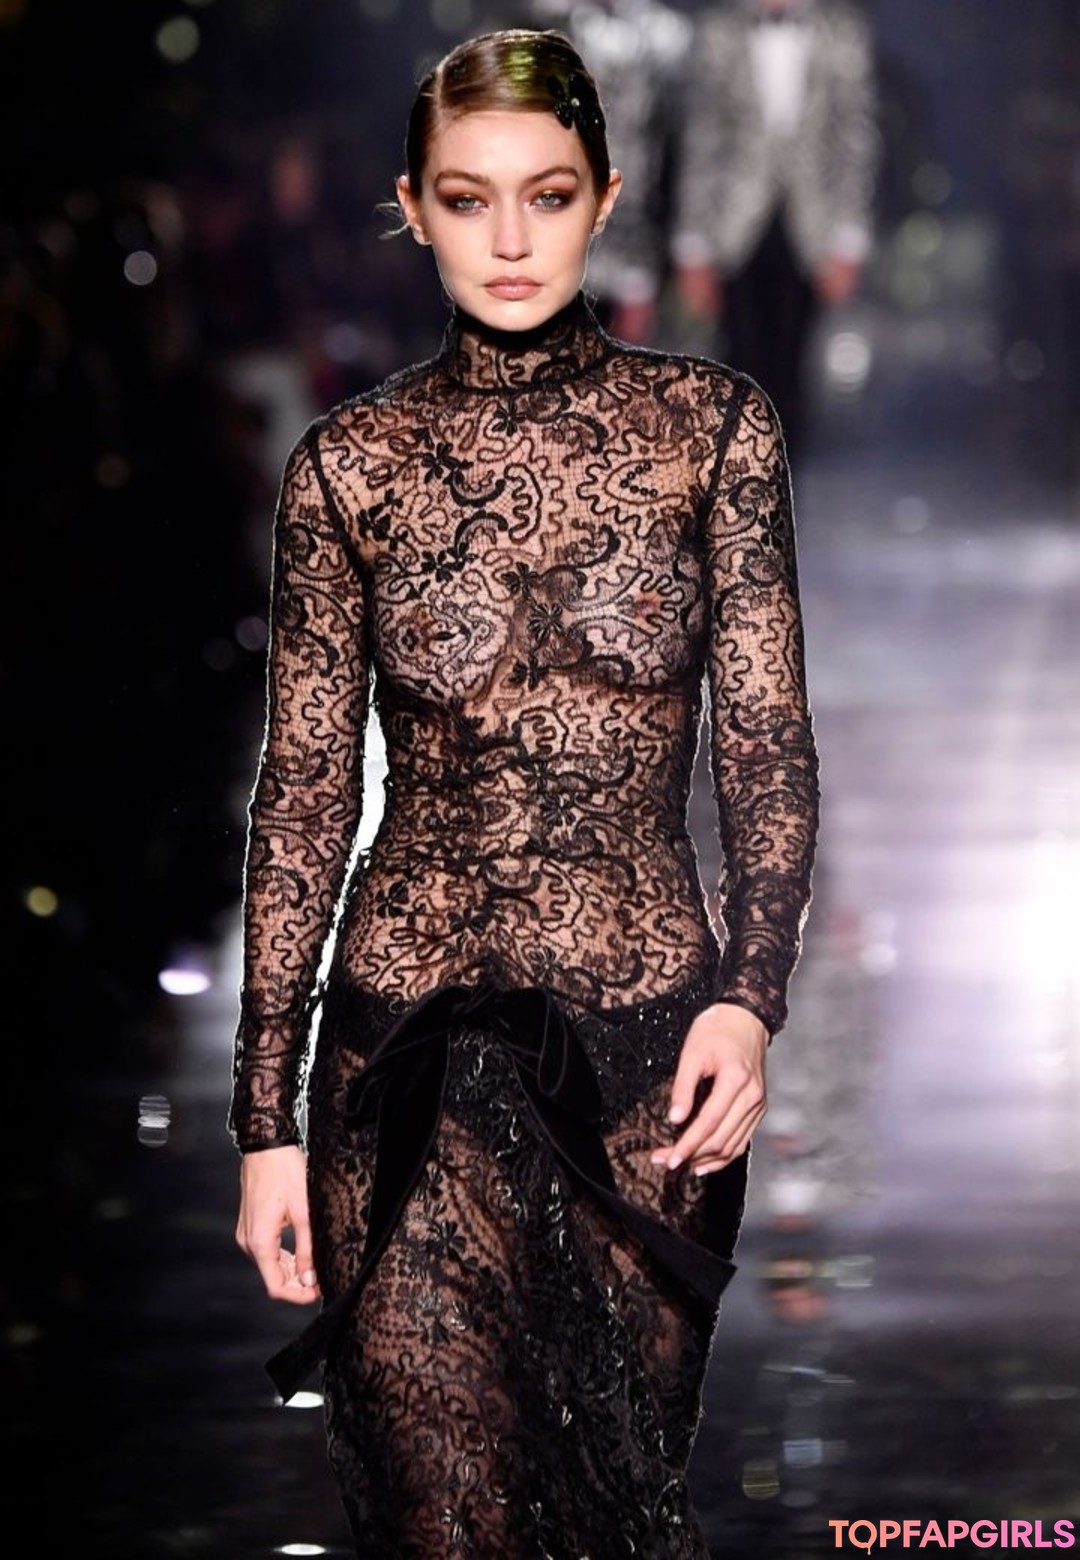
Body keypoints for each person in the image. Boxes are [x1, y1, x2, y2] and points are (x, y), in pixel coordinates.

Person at [230, 26, 819, 1558]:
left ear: (605, 201)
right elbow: (302, 798)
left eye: (547, 196)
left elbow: (765, 744)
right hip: (399, 1070)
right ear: (411, 209)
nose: (509, 239)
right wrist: (264, 1122)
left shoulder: (713, 437)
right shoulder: (351, 470)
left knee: (614, 1518)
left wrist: (750, 1001)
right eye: (467, 197)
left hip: (652, 1079)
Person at [672, 0, 879, 462]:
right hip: (733, 227)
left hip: (810, 228)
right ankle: (737, 484)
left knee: (792, 364)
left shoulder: (841, 33)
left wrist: (849, 237)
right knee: (737, 361)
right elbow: (701, 141)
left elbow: (855, 138)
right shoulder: (719, 33)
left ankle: (781, 489)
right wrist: (692, 243)